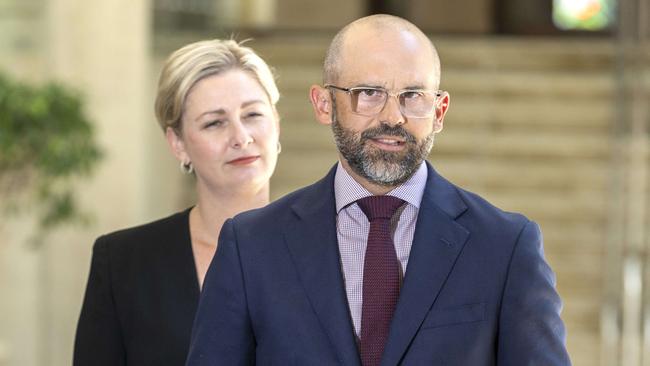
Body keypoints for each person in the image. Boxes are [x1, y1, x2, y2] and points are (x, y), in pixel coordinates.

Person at [187, 15, 571, 366]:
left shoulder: (505, 246)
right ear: (324, 104)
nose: (392, 117)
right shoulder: (250, 245)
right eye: (368, 93)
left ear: (439, 112)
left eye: (413, 95)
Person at [73, 39, 281, 366]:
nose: (241, 137)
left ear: (277, 124)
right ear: (178, 144)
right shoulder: (123, 264)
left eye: (253, 114)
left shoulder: (330, 249)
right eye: (215, 122)